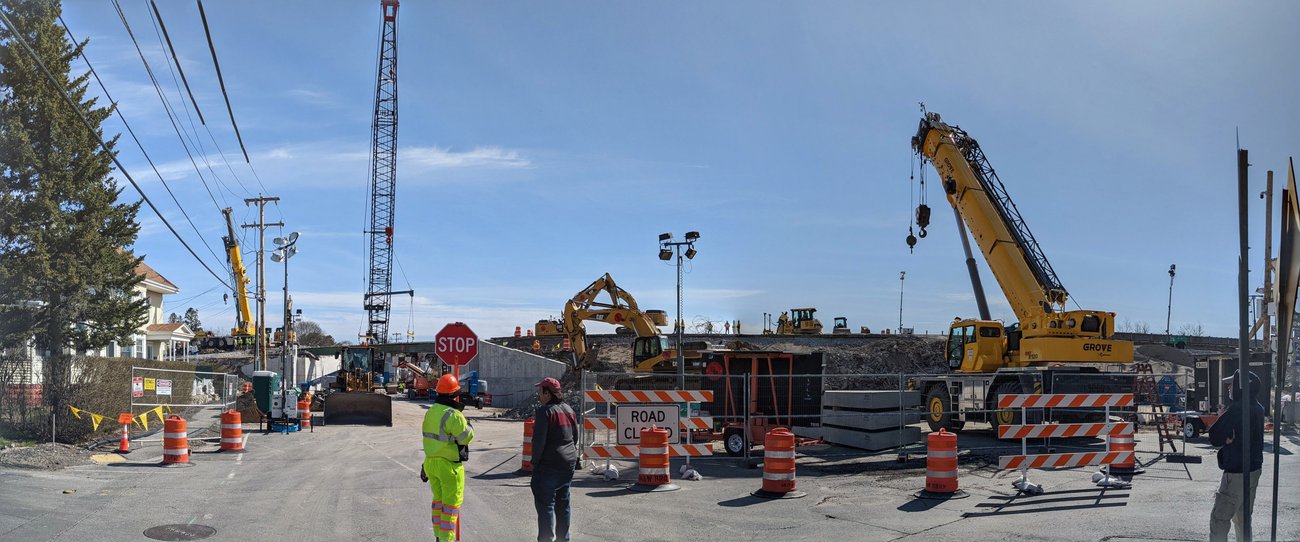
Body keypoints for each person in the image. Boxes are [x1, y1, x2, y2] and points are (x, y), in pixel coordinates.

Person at [1208, 370, 1265, 542]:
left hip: (1235, 474)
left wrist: (1221, 419)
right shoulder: (1258, 407)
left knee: (1219, 519)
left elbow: (1214, 436)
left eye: (1231, 385)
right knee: (1243, 519)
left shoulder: (1236, 409)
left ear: (1242, 387)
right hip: (1254, 470)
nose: (1229, 389)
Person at [421, 374, 474, 542]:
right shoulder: (453, 415)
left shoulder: (430, 412)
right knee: (450, 507)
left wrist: (424, 465)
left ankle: (438, 537)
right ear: (453, 394)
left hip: (431, 464)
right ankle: (446, 540)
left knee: (438, 503)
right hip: (448, 466)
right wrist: (469, 426)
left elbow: (430, 440)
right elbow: (465, 438)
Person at [530, 377, 578, 542]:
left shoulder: (544, 412)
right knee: (563, 504)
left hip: (549, 466)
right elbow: (575, 437)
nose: (538, 395)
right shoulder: (569, 410)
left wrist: (535, 463)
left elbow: (538, 442)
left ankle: (546, 539)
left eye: (540, 391)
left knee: (546, 506)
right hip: (568, 464)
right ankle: (563, 539)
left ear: (547, 394)